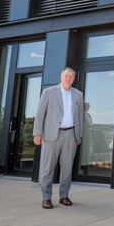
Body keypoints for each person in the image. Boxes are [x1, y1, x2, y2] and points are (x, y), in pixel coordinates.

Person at [33, 67, 84, 209]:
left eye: (71, 77)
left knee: (67, 169)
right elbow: (40, 114)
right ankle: (46, 198)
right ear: (61, 77)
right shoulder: (49, 92)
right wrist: (37, 133)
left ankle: (64, 196)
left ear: (73, 79)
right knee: (47, 168)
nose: (69, 79)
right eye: (66, 76)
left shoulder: (78, 95)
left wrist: (79, 134)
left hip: (71, 135)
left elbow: (80, 117)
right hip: (51, 135)